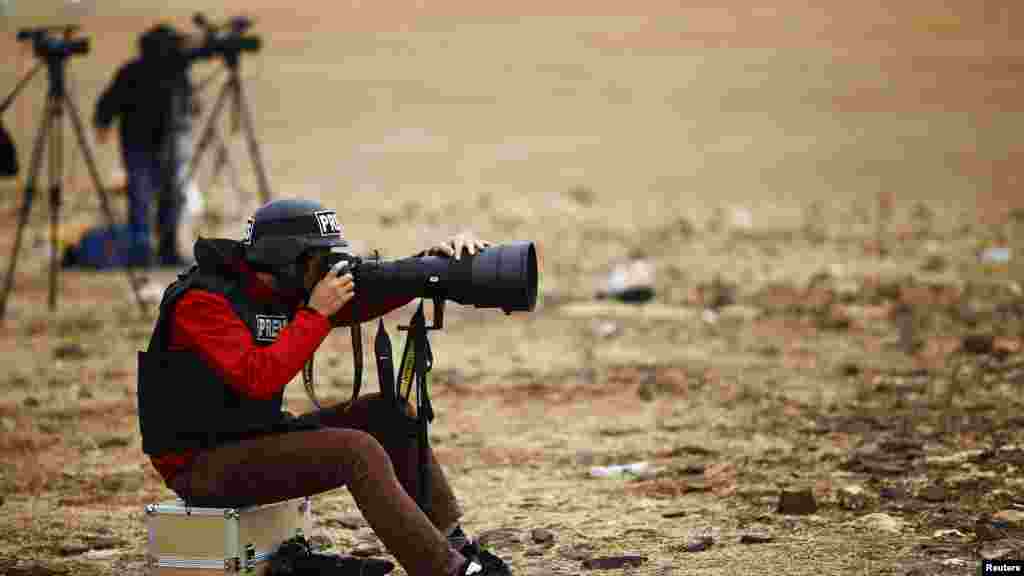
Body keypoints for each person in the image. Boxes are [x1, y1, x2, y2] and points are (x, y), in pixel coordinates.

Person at [137, 198, 513, 576]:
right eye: (321, 259)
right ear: (289, 260)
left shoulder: (283, 289)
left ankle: (457, 545)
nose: (329, 269)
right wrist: (315, 314)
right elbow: (258, 377)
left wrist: (431, 265)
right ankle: (447, 571)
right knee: (356, 451)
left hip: (254, 437)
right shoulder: (203, 302)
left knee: (390, 415)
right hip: (200, 464)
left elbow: (368, 296)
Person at [94, 23, 196, 268]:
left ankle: (165, 251)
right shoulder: (134, 73)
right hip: (141, 146)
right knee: (143, 199)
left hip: (164, 145)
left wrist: (103, 123)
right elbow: (109, 104)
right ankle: (144, 253)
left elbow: (190, 105)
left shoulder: (173, 74)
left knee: (166, 197)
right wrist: (103, 122)